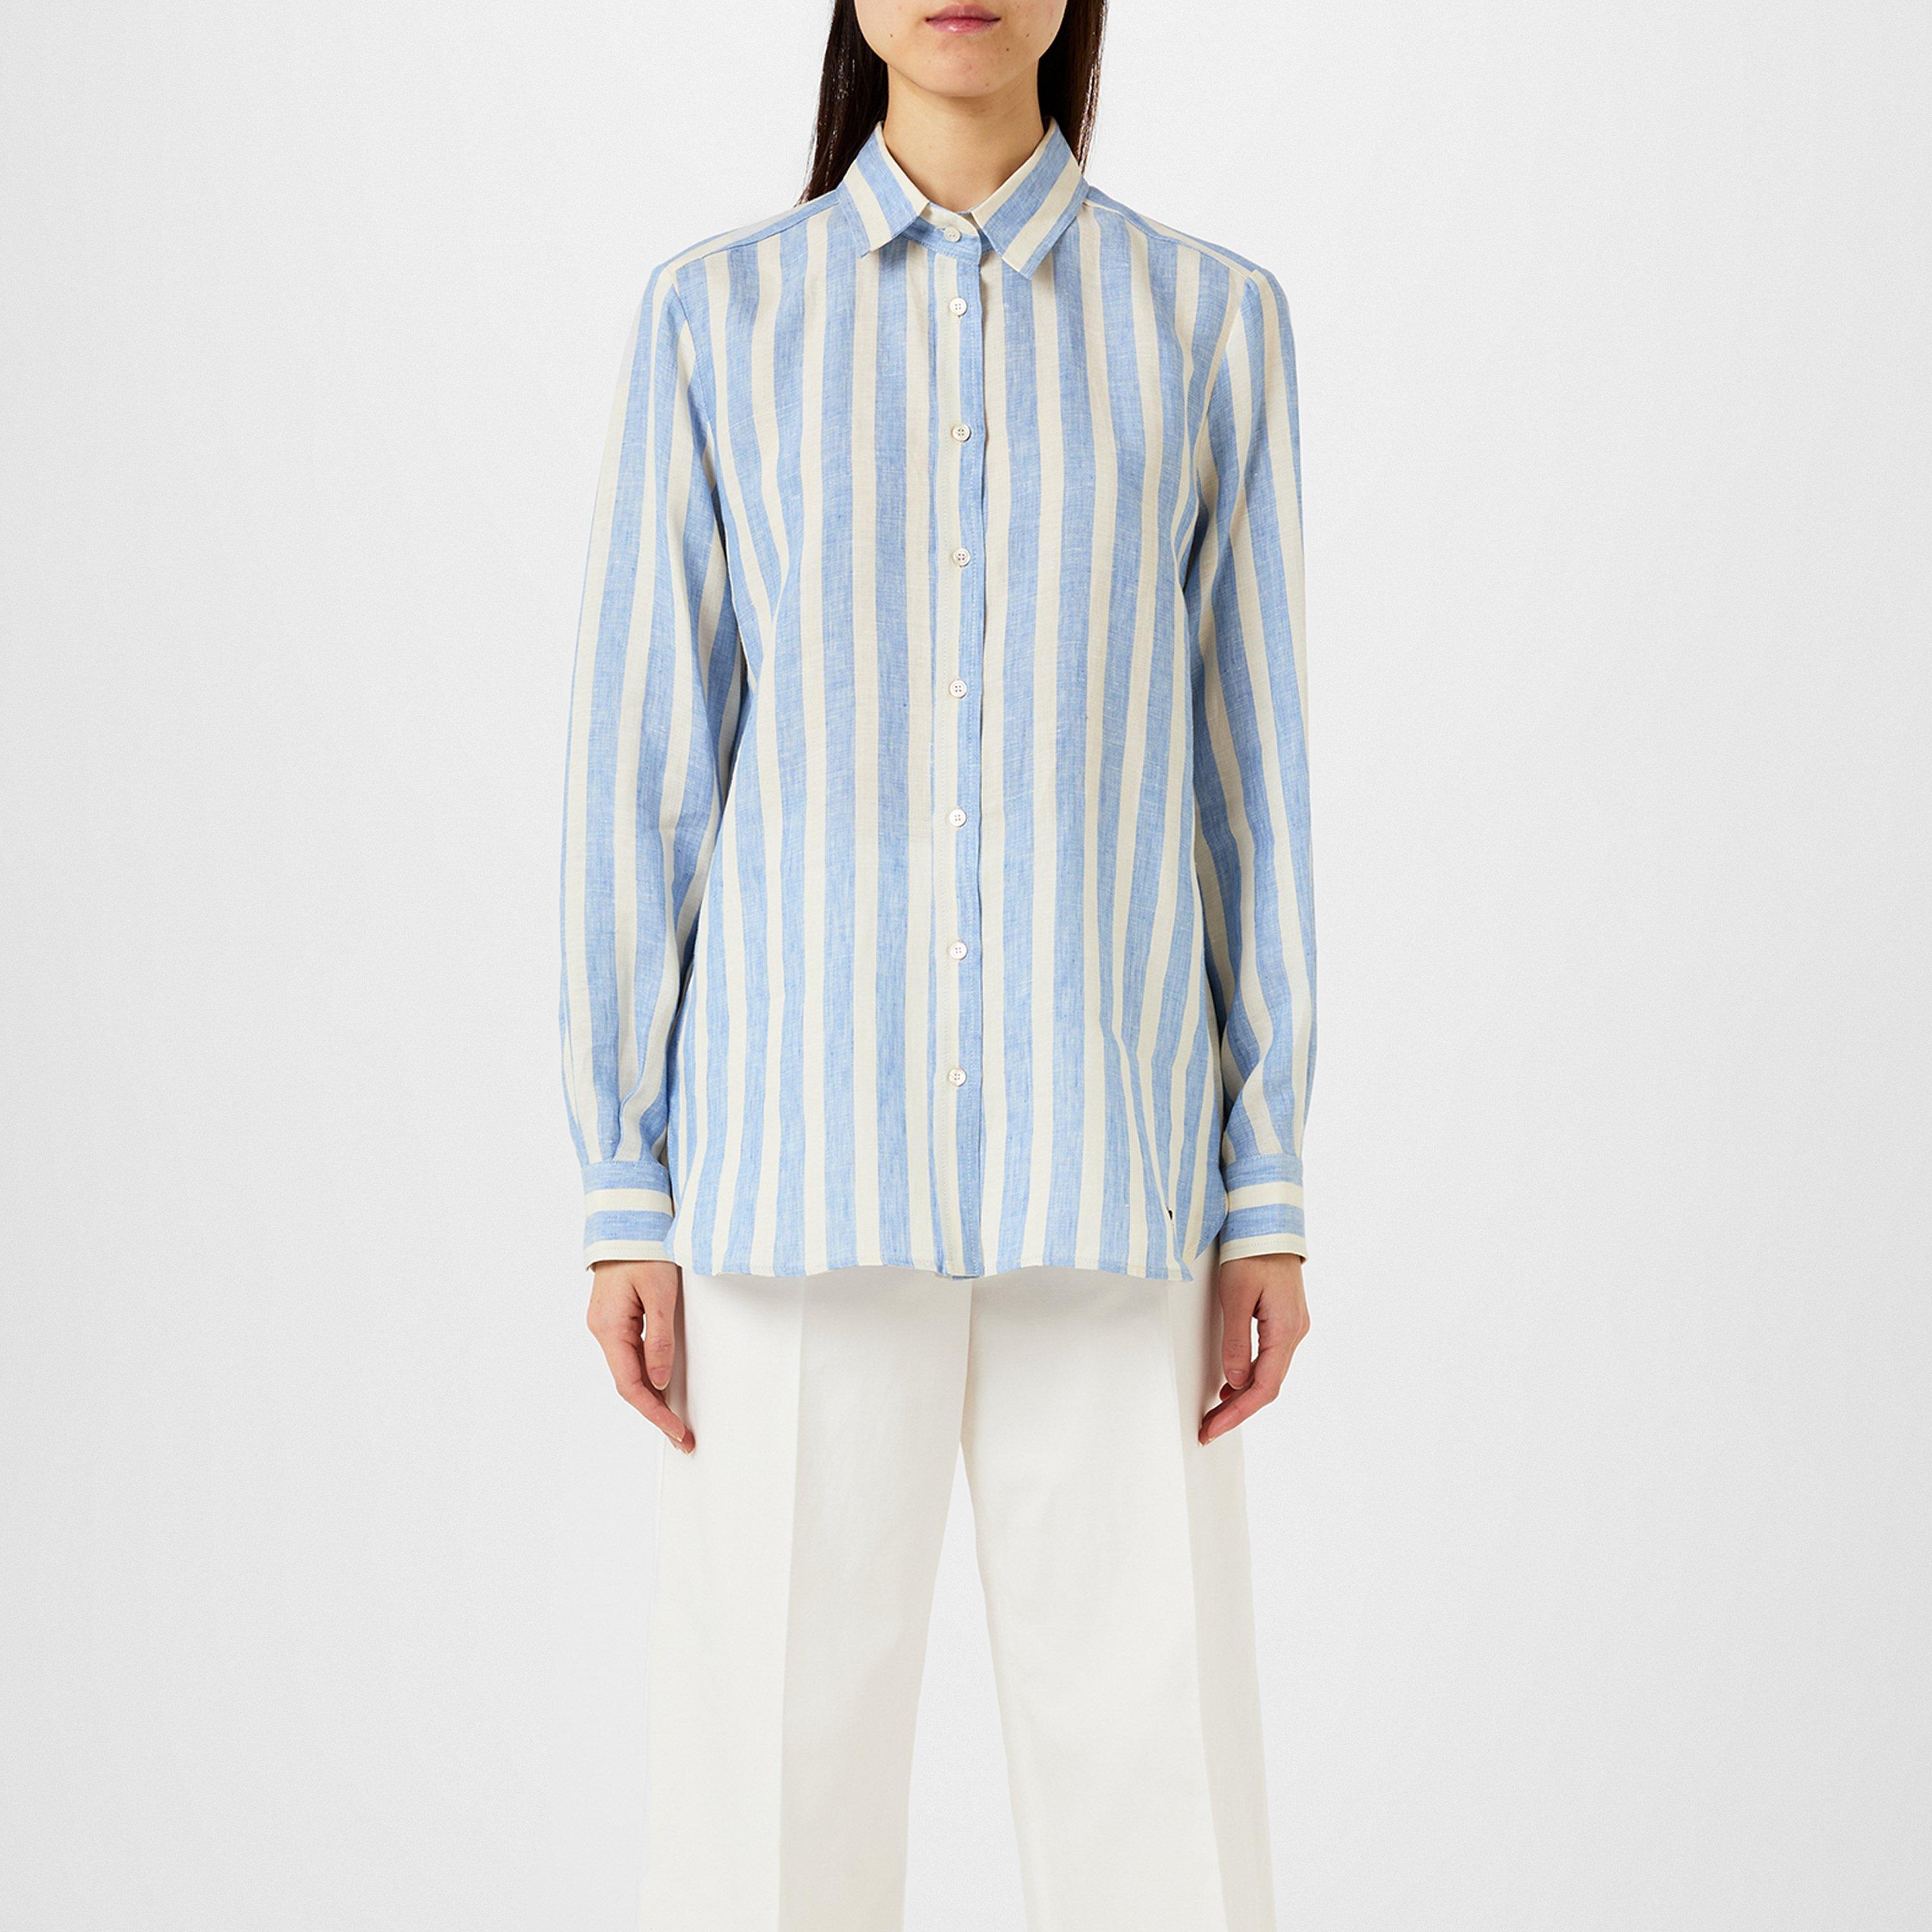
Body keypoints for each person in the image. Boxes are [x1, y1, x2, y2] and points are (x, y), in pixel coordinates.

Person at [558, 2, 1314, 1926]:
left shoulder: (1208, 325)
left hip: (1117, 1171)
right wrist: (626, 1183)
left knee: (1159, 1804)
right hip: (789, 1178)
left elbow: (1253, 787)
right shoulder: (717, 321)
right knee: (767, 1817)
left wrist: (1267, 1189)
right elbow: (645, 773)